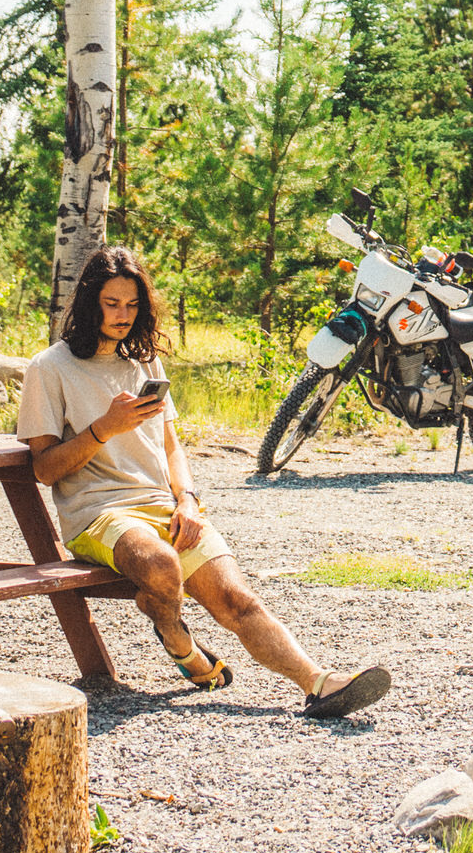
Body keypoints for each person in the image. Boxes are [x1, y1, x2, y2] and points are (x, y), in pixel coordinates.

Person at [20, 247, 390, 719]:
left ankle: (320, 684)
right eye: (111, 304)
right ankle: (175, 635)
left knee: (238, 600)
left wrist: (188, 500)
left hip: (166, 507)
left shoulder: (145, 362)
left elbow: (171, 446)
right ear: (89, 302)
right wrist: (104, 429)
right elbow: (44, 468)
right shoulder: (49, 368)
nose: (122, 316)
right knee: (159, 564)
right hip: (98, 514)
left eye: (132, 305)